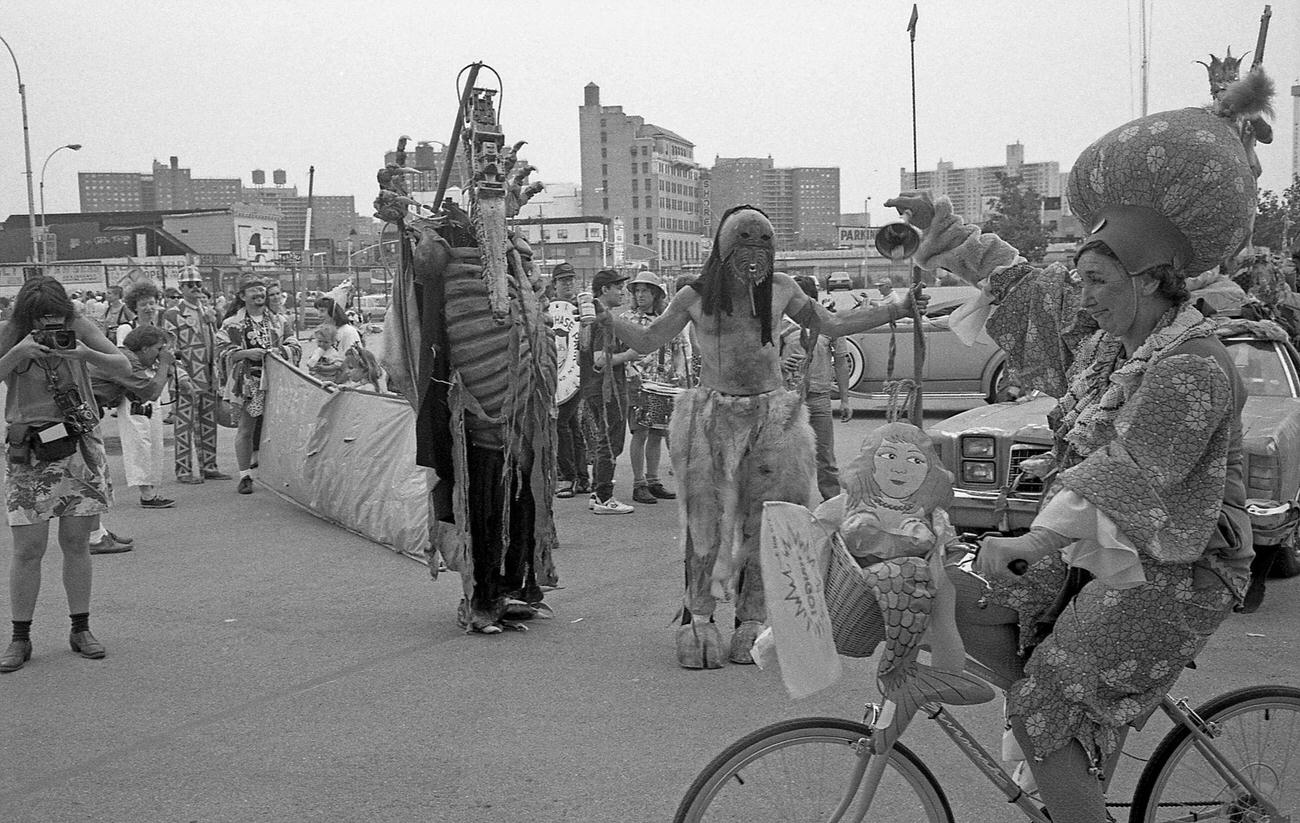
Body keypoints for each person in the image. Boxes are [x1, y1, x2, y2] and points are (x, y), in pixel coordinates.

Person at [883, 84, 1264, 823]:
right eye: (1082, 280)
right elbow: (1024, 288)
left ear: (1151, 278)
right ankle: (1073, 773)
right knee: (969, 603)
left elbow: (1128, 472)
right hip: (1092, 543)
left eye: (1097, 280)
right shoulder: (1104, 343)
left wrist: (1030, 536)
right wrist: (949, 230)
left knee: (1048, 699)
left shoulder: (1191, 364)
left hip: (1181, 563)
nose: (1082, 296)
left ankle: (1071, 770)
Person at [589, 205, 925, 667]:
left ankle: (751, 619)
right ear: (724, 247)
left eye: (761, 241)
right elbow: (649, 340)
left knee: (766, 521)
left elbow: (832, 325)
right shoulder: (693, 295)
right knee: (703, 522)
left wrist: (899, 307)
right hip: (711, 418)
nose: (753, 252)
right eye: (743, 241)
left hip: (772, 417)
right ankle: (700, 617)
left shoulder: (783, 289)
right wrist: (613, 324)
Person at [0, 276, 131, 672]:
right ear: (27, 315)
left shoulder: (78, 327)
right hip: (30, 449)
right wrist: (17, 352)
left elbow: (123, 364)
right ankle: (19, 637)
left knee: (77, 543)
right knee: (28, 549)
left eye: (56, 318)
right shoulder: (13, 332)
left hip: (78, 444)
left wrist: (83, 354)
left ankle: (81, 628)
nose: (50, 327)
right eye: (42, 320)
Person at [217, 274, 295, 494]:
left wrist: (280, 352)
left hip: (277, 381)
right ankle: (245, 476)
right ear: (242, 296)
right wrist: (245, 353)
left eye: (262, 290)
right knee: (246, 429)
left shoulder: (279, 321)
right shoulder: (232, 323)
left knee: (279, 428)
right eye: (254, 290)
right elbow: (221, 350)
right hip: (247, 382)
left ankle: (280, 474)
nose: (260, 294)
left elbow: (293, 343)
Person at [91, 325, 182, 508]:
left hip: (88, 409)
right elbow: (152, 392)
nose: (159, 354)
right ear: (145, 348)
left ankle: (96, 523)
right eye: (158, 349)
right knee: (90, 466)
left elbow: (140, 393)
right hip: (78, 412)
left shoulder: (127, 356)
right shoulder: (128, 361)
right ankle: (94, 525)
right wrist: (164, 364)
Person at [782, 275, 852, 500]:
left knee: (826, 456)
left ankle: (831, 503)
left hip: (819, 398)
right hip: (788, 400)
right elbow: (764, 359)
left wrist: (845, 400)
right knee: (788, 456)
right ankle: (790, 504)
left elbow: (841, 362)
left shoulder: (828, 325)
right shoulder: (779, 326)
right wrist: (780, 364)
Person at [161, 267, 229, 485]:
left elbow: (216, 343)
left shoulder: (206, 311)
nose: (196, 288)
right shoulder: (173, 314)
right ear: (181, 288)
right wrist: (179, 374)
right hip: (186, 377)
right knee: (184, 425)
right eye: (191, 285)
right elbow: (170, 349)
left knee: (208, 422)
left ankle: (209, 466)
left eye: (199, 284)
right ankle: (183, 470)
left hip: (208, 376)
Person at [580, 269, 640, 515]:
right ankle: (605, 497)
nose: (622, 291)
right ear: (604, 289)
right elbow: (599, 359)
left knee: (607, 440)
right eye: (617, 287)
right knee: (610, 441)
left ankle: (597, 493)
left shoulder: (593, 314)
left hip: (598, 388)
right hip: (606, 389)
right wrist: (629, 355)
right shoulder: (601, 318)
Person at [621, 271, 683, 505]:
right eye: (637, 290)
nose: (640, 295)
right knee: (640, 432)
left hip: (663, 382)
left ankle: (653, 479)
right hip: (639, 384)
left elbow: (677, 348)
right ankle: (638, 483)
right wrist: (629, 368)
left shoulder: (667, 319)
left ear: (656, 293)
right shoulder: (627, 319)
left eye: (645, 290)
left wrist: (677, 370)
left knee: (658, 432)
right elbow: (622, 348)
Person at [549, 262, 590, 499]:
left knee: (561, 424)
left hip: (576, 376)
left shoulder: (581, 309)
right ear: (554, 284)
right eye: (563, 281)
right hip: (558, 376)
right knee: (572, 427)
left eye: (571, 280)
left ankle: (569, 477)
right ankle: (582, 478)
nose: (568, 284)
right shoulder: (548, 309)